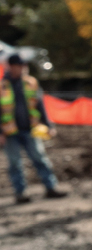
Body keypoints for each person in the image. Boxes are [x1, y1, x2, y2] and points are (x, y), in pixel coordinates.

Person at [4, 53, 67, 204]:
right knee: (15, 163)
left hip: (30, 129)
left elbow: (40, 105)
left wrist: (48, 124)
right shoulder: (2, 85)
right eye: (19, 65)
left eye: (23, 65)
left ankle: (51, 187)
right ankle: (21, 193)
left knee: (40, 158)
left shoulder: (31, 83)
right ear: (11, 67)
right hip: (9, 132)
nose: (23, 68)